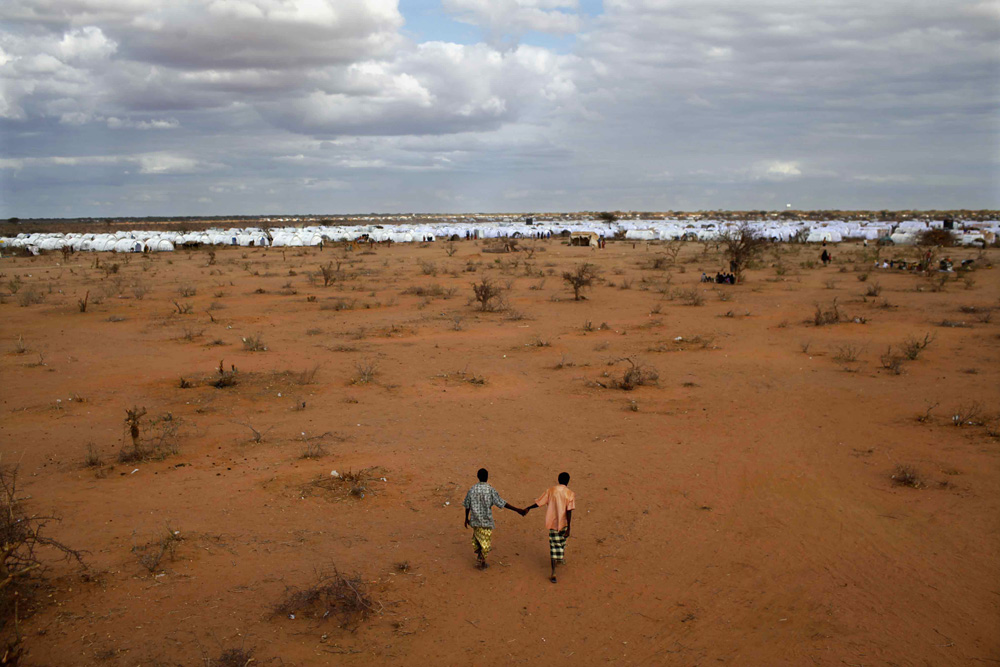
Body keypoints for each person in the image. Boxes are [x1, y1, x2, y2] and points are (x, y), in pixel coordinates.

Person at [463, 468, 526, 569]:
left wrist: (466, 518)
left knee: (478, 537)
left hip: (475, 520)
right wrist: (517, 510)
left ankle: (480, 556)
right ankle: (482, 561)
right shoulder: (490, 490)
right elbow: (501, 503)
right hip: (486, 520)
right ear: (487, 477)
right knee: (486, 540)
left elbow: (467, 505)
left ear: (478, 477)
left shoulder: (472, 489)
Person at [524, 472, 576, 583]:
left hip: (552, 523)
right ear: (568, 481)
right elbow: (569, 512)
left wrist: (528, 507)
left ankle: (553, 571)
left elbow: (539, 503)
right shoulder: (570, 494)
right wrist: (569, 528)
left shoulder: (551, 491)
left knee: (553, 546)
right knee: (561, 543)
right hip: (563, 524)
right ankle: (558, 561)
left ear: (558, 479)